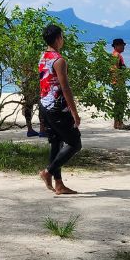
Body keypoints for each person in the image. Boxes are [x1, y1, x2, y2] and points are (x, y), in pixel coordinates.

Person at [37, 23, 82, 195]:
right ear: (58, 38)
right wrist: (74, 112)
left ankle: (59, 184)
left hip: (44, 105)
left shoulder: (43, 56)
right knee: (75, 143)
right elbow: (65, 88)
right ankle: (47, 172)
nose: (63, 39)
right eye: (62, 36)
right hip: (57, 108)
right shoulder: (59, 60)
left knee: (56, 143)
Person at [108, 38, 130, 130]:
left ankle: (116, 123)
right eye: (122, 45)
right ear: (116, 46)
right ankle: (119, 123)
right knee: (121, 103)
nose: (123, 47)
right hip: (118, 82)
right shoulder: (116, 55)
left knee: (118, 103)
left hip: (115, 82)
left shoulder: (114, 55)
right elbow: (114, 70)